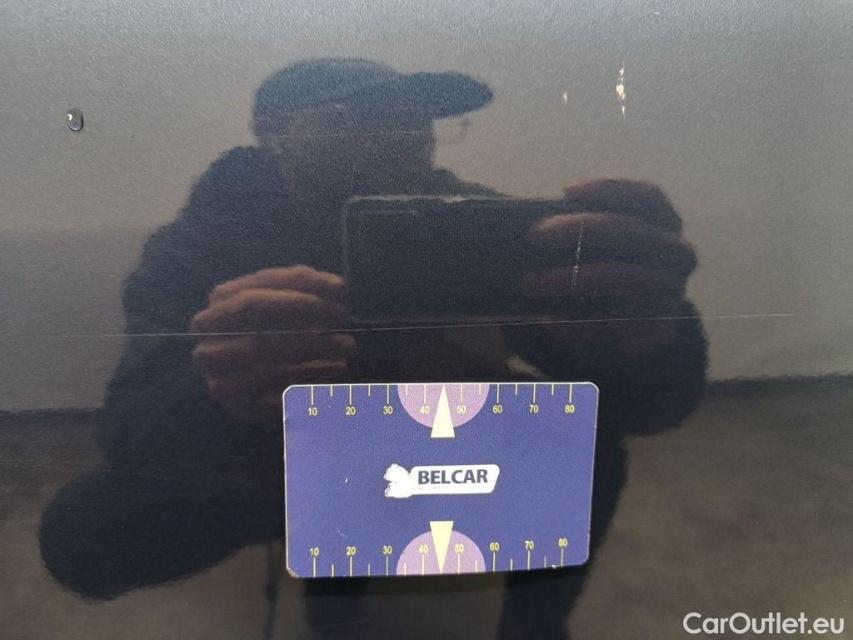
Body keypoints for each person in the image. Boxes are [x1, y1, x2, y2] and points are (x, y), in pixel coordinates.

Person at [40, 58, 706, 638]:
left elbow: (649, 407)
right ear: (271, 133)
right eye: (350, 116)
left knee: (585, 442)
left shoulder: (456, 219)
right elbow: (129, 429)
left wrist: (646, 333)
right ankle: (336, 597)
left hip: (421, 434)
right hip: (280, 457)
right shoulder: (203, 242)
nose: (401, 133)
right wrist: (219, 387)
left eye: (416, 116)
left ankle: (531, 625)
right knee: (83, 531)